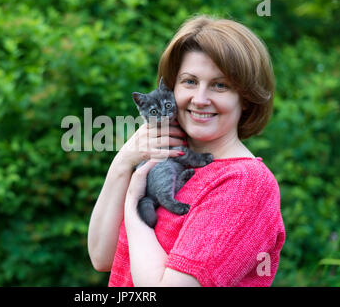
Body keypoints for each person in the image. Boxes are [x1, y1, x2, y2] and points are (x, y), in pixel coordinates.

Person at [87, 15, 285, 287]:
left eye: (220, 85)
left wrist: (134, 206)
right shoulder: (160, 162)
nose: (200, 99)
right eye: (190, 81)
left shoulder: (245, 184)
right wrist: (123, 161)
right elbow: (101, 257)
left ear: (246, 98)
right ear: (172, 88)